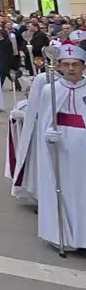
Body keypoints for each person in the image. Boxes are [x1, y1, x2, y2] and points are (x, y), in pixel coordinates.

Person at [33, 42, 86, 251]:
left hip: (83, 149)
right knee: (62, 190)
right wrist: (48, 134)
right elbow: (45, 119)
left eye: (75, 64)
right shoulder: (50, 90)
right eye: (66, 64)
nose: (71, 68)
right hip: (60, 148)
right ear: (59, 66)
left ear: (83, 66)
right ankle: (64, 236)